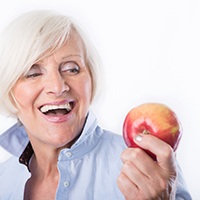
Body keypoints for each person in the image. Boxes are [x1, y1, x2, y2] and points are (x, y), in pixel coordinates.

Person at [0, 10, 191, 200]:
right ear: (9, 90)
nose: (58, 87)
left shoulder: (147, 168)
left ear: (91, 80)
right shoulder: (3, 180)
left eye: (72, 69)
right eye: (33, 73)